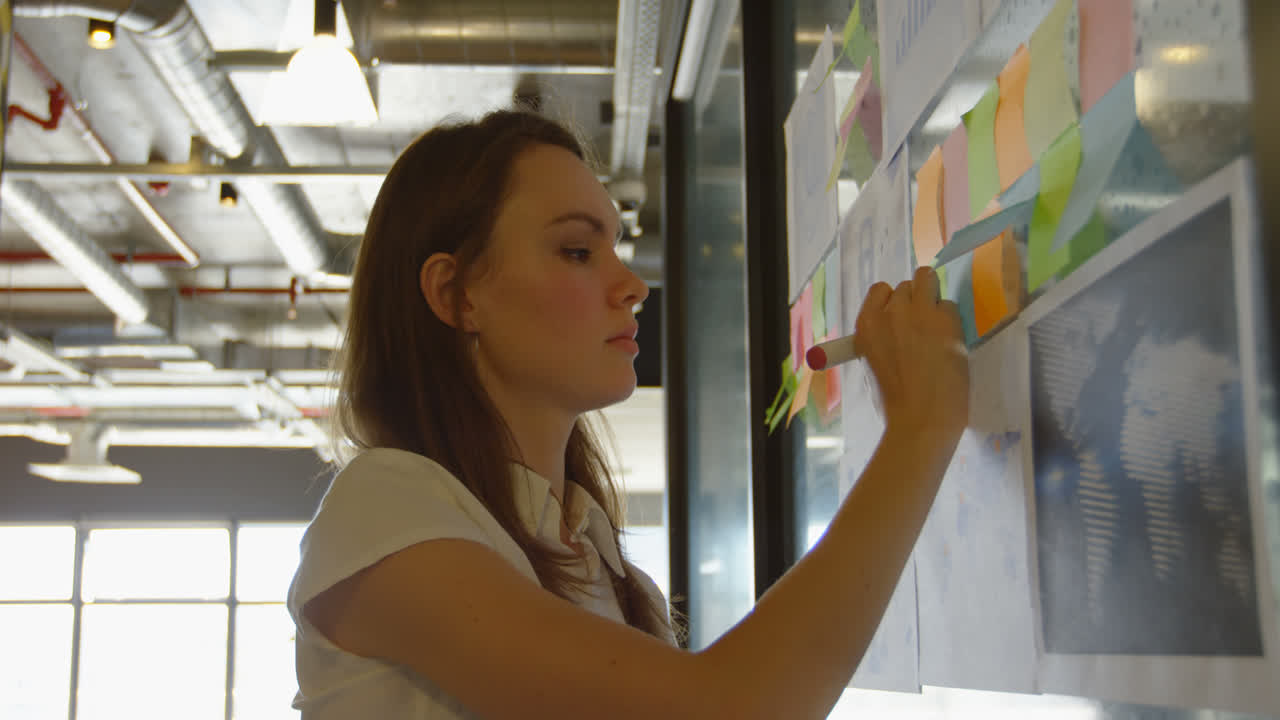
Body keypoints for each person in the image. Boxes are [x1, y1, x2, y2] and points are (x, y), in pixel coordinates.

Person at [287, 109, 969, 719]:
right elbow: (728, 709)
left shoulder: (600, 565)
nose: (632, 285)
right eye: (578, 251)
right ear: (456, 293)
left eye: (616, 245)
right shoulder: (384, 505)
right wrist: (919, 431)